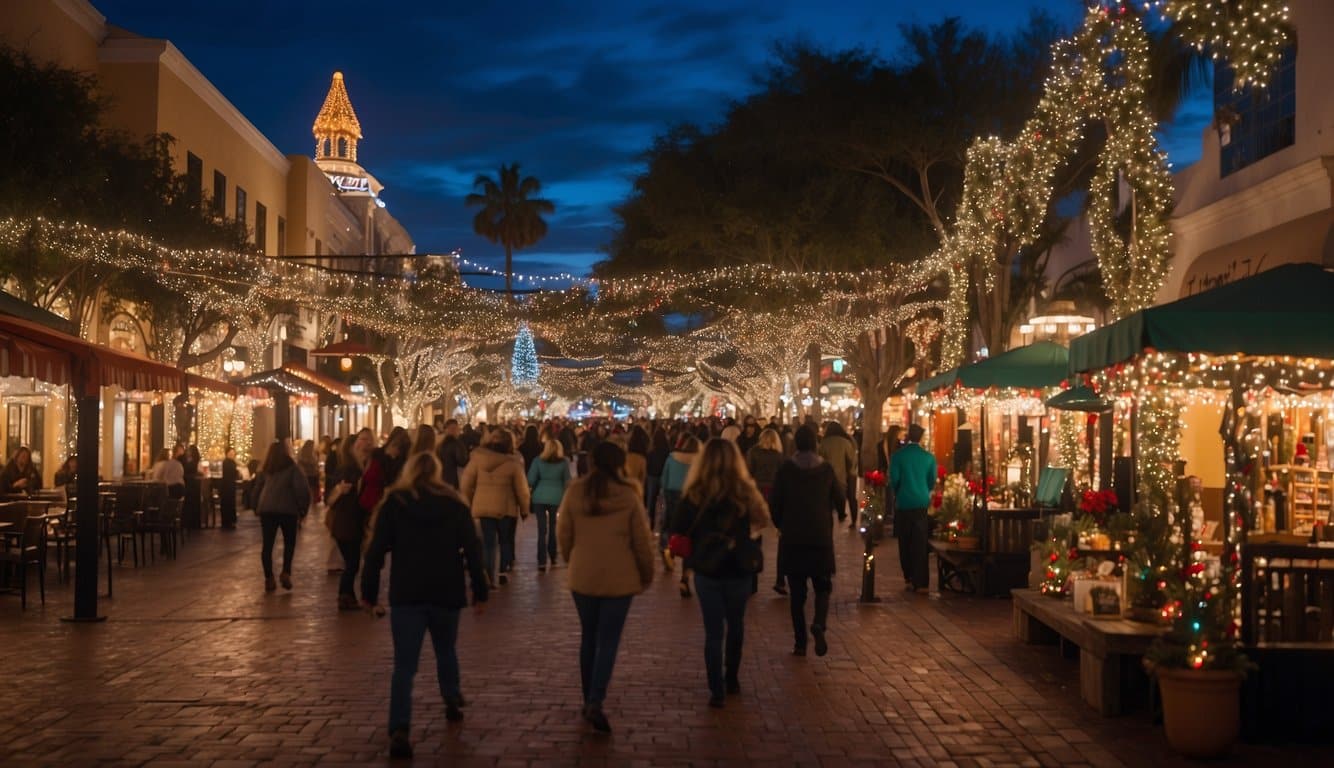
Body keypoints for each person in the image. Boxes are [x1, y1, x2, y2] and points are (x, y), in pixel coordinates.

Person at [362, 452, 488, 759]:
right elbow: (472, 548)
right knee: (446, 649)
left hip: (408, 589)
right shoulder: (455, 504)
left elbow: (376, 550)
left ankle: (400, 726)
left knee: (405, 664)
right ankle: (451, 697)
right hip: (446, 587)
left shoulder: (395, 503)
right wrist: (480, 589)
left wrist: (368, 591)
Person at [557, 441, 655, 734]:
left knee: (589, 636)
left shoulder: (576, 491)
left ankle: (588, 697)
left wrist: (572, 559)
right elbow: (641, 541)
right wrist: (646, 574)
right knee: (608, 640)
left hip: (583, 575)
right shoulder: (629, 495)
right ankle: (596, 700)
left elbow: (564, 535)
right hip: (619, 577)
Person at [672, 439, 770, 707]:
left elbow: (678, 525)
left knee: (713, 631)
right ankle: (732, 678)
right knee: (736, 625)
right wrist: (746, 532)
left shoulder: (695, 492)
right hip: (738, 566)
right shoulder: (744, 491)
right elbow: (763, 519)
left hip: (706, 567)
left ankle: (716, 689)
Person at [769, 425, 844, 656]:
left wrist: (780, 523)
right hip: (820, 537)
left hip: (793, 538)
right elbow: (840, 500)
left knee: (797, 594)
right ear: (815, 443)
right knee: (822, 587)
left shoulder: (785, 470)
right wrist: (838, 514)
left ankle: (800, 642)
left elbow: (774, 502)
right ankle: (819, 624)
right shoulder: (827, 470)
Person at [459, 428, 530, 586]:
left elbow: (465, 484)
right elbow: (522, 490)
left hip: (483, 506)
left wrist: (468, 503)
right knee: (504, 541)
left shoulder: (477, 459)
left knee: (488, 543)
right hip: (506, 507)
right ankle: (502, 571)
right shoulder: (513, 462)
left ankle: (488, 575)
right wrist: (525, 509)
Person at [252, 441, 310, 592]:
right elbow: (301, 489)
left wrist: (255, 506)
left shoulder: (265, 469)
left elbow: (257, 488)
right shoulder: (292, 468)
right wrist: (303, 508)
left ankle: (269, 578)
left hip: (267, 510)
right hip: (288, 510)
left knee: (267, 545)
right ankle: (286, 572)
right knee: (289, 543)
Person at [329, 428, 374, 609]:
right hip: (347, 523)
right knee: (352, 563)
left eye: (368, 441)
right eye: (362, 441)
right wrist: (342, 490)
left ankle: (348, 596)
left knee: (352, 562)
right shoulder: (350, 469)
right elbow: (336, 495)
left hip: (350, 522)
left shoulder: (361, 467)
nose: (366, 444)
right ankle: (344, 596)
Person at [890, 424, 937, 594]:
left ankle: (908, 577)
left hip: (904, 502)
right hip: (921, 502)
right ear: (921, 438)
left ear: (908, 437)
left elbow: (893, 480)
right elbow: (932, 480)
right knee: (920, 542)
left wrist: (899, 492)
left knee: (905, 541)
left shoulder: (898, 457)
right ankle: (921, 581)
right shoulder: (929, 457)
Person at [746, 428, 786, 594]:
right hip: (775, 494)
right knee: (782, 537)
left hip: (757, 492)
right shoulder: (778, 456)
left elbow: (748, 472)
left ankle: (752, 581)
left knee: (755, 536)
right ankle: (780, 579)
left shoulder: (753, 452)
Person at [660, 434, 700, 594]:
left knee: (669, 523)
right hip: (690, 494)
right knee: (689, 533)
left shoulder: (672, 457)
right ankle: (685, 575)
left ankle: (667, 548)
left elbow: (664, 477)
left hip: (671, 492)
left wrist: (664, 491)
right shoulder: (698, 460)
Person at [527, 437, 570, 571]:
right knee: (553, 527)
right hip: (556, 497)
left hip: (539, 497)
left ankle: (541, 560)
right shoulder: (563, 462)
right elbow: (567, 481)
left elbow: (530, 479)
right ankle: (553, 556)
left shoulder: (538, 461)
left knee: (541, 529)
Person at [819, 422, 858, 530]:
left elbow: (820, 459)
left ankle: (829, 522)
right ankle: (854, 521)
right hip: (847, 474)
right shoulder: (847, 441)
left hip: (828, 475)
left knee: (828, 500)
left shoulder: (824, 443)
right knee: (851, 498)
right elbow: (852, 459)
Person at [645, 428, 670, 531]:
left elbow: (648, 465)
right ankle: (662, 523)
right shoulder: (667, 451)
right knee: (664, 500)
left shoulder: (651, 451)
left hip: (652, 476)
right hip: (663, 476)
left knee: (651, 500)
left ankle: (651, 522)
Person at [435, 419, 470, 489]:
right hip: (452, 479)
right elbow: (462, 461)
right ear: (446, 429)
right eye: (452, 429)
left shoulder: (439, 443)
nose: (454, 431)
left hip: (439, 478)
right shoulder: (456, 443)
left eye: (455, 429)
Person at [181, 444, 202, 528]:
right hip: (193, 484)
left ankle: (191, 523)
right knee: (193, 503)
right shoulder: (193, 461)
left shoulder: (191, 461)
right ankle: (194, 523)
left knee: (191, 503)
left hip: (191, 484)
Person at [298, 439, 320, 517]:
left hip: (311, 474)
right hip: (309, 474)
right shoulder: (307, 454)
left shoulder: (310, 453)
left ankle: (312, 501)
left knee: (312, 488)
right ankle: (312, 502)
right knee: (311, 488)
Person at [623, 425, 649, 491]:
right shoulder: (642, 460)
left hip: (625, 488)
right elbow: (642, 479)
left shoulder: (625, 457)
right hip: (636, 490)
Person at [220, 448, 239, 529]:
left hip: (229, 485)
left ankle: (228, 521)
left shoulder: (230, 462)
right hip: (227, 485)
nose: (232, 454)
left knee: (229, 503)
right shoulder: (228, 462)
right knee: (228, 503)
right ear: (227, 453)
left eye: (233, 453)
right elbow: (233, 473)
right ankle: (228, 522)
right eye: (230, 453)